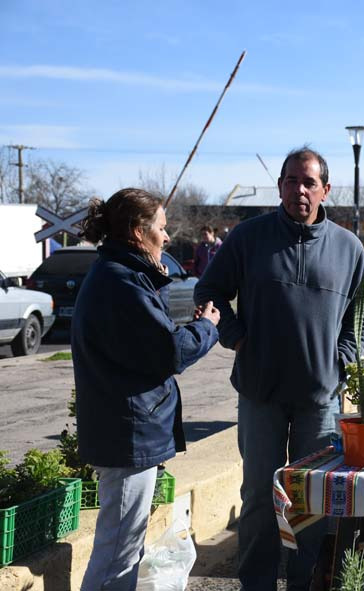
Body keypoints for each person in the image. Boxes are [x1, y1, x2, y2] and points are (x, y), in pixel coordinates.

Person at [194, 146, 364, 591]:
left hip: (320, 397)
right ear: (279, 186)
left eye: (309, 182)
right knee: (258, 496)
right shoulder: (248, 237)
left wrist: (345, 356)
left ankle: (303, 582)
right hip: (260, 392)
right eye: (291, 180)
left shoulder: (347, 247)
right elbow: (209, 290)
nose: (300, 189)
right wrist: (235, 335)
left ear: (325, 190)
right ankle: (256, 583)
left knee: (309, 500)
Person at [73, 188, 220, 590]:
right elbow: (169, 352)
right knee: (117, 556)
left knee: (123, 549)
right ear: (139, 232)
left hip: (127, 431)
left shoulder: (122, 276)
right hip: (127, 435)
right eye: (161, 227)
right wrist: (207, 326)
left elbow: (149, 345)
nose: (167, 236)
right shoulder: (120, 282)